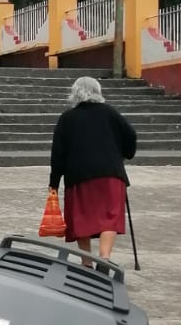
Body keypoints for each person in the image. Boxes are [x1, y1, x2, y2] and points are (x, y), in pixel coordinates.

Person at [49, 76, 137, 262]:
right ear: (98, 91)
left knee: (81, 217)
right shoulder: (110, 113)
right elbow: (131, 135)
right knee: (110, 216)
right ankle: (104, 257)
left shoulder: (68, 118)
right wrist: (125, 154)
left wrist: (54, 182)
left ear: (75, 93)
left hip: (79, 177)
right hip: (111, 175)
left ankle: (86, 262)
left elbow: (58, 153)